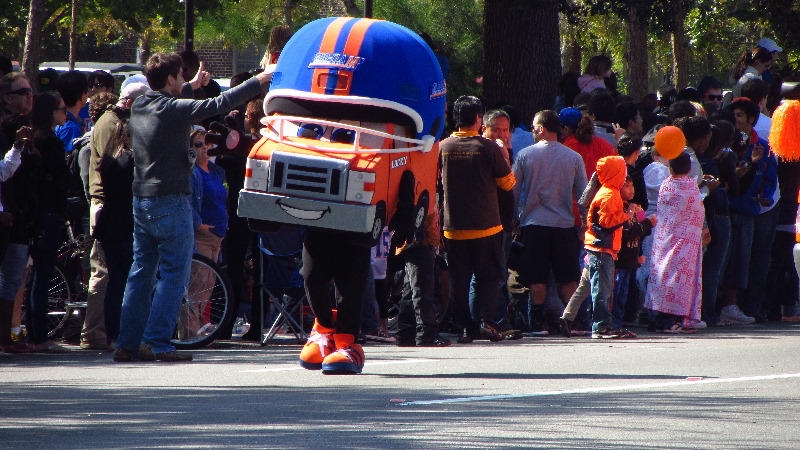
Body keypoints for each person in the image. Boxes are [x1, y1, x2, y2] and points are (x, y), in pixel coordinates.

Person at [113, 53, 271, 363]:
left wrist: (191, 87)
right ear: (171, 80)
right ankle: (156, 341)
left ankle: (127, 343)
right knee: (175, 274)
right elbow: (217, 105)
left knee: (141, 273)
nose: (184, 81)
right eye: (181, 78)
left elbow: (169, 99)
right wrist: (259, 81)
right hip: (171, 201)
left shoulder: (142, 104)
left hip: (142, 200)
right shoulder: (171, 109)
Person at [439, 96, 514, 343]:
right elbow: (507, 183)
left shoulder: (443, 147)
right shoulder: (488, 147)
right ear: (478, 119)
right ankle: (486, 322)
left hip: (453, 227)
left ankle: (463, 327)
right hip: (486, 225)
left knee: (458, 280)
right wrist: (505, 156)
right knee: (488, 278)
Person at [513, 110, 587, 334]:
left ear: (542, 128)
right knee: (568, 276)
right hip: (564, 224)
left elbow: (514, 191)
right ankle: (572, 321)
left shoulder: (525, 155)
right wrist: (585, 222)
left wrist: (514, 219)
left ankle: (538, 322)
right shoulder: (573, 157)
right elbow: (583, 194)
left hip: (534, 223)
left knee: (537, 276)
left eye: (534, 126)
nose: (533, 130)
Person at [90, 83, 148, 349]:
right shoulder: (130, 161)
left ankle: (113, 335)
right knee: (128, 281)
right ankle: (126, 334)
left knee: (114, 282)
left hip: (109, 224)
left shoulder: (110, 161)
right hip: (125, 224)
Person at [27, 91, 71, 352]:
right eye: (61, 109)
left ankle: (34, 333)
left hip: (37, 212)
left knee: (37, 274)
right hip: (49, 212)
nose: (64, 113)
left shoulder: (35, 138)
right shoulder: (50, 141)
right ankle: (39, 337)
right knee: (42, 273)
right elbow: (58, 177)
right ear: (50, 112)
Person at [644, 152, 706, 333]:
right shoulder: (691, 188)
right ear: (689, 169)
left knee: (662, 277)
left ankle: (656, 319)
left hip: (664, 240)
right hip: (685, 244)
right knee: (678, 282)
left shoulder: (666, 186)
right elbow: (698, 213)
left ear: (669, 168)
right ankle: (670, 321)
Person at [583, 156, 636, 338]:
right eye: (622, 172)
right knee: (602, 289)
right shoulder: (609, 194)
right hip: (600, 248)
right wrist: (626, 215)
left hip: (604, 248)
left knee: (604, 288)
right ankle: (601, 326)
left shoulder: (609, 191)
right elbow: (606, 223)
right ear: (616, 173)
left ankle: (605, 324)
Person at [184, 127, 227, 337]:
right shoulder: (193, 172)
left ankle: (201, 327)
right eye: (198, 144)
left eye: (208, 143)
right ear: (191, 149)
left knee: (209, 284)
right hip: (201, 235)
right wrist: (199, 224)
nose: (205, 148)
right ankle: (191, 332)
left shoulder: (217, 171)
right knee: (197, 285)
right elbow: (188, 201)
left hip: (217, 236)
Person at [54, 70, 88, 152]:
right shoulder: (71, 128)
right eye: (86, 91)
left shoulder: (61, 119)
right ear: (81, 95)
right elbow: (69, 160)